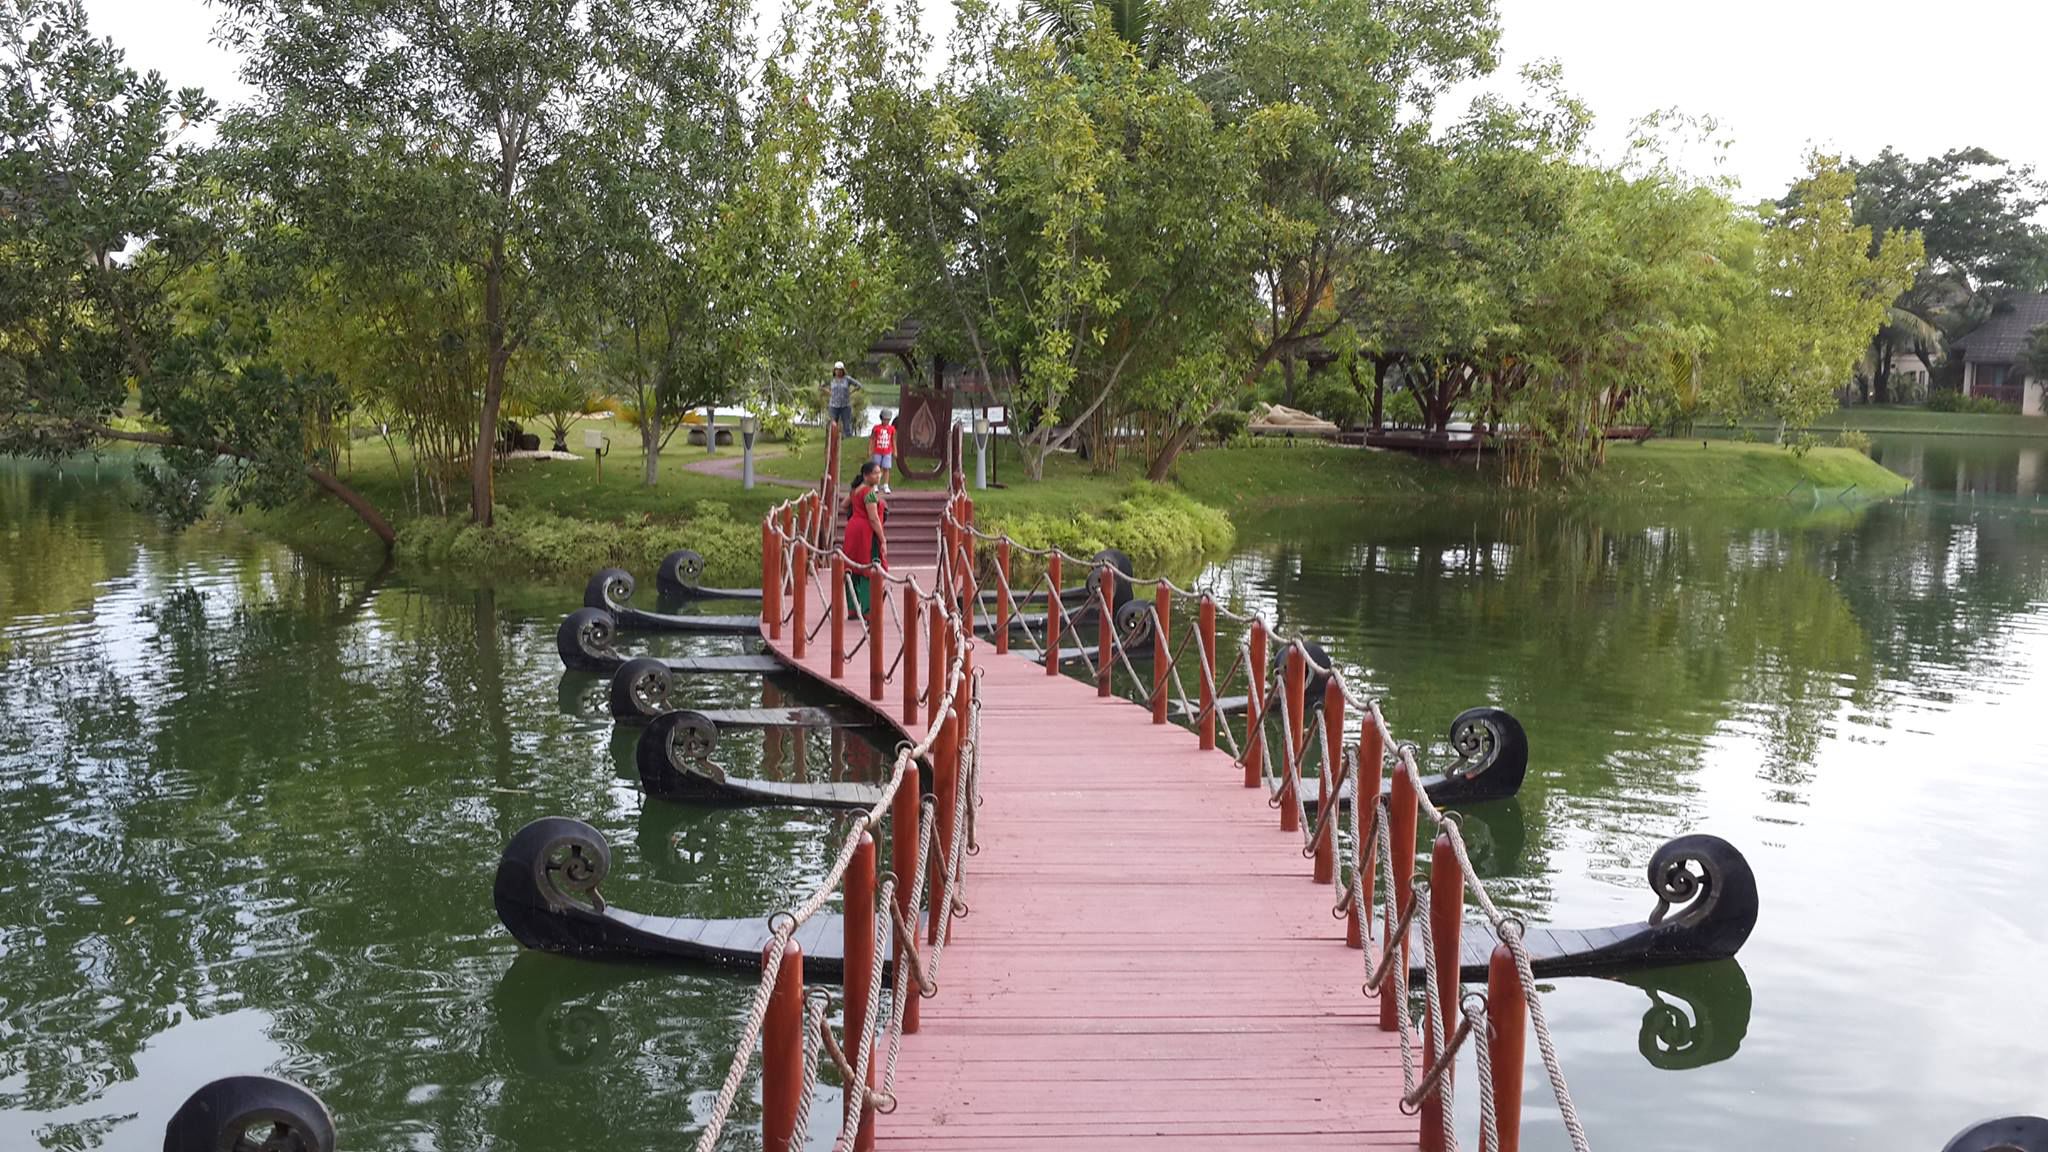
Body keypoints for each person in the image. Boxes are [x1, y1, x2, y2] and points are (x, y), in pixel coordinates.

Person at [843, 459, 888, 617]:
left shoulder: (855, 490)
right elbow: (874, 519)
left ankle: (852, 608)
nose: (879, 476)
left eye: (879, 472)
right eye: (875, 473)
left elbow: (844, 504)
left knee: (852, 568)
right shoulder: (869, 493)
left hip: (852, 529)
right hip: (864, 532)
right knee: (867, 567)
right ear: (866, 475)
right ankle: (868, 610)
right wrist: (882, 539)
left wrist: (856, 509)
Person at [825, 361, 858, 439]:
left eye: (840, 370)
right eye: (837, 370)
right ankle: (833, 438)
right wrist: (829, 392)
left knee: (846, 424)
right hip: (833, 405)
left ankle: (848, 438)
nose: (838, 371)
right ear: (834, 370)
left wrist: (851, 392)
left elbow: (858, 385)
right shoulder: (831, 379)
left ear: (843, 370)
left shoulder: (847, 379)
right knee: (833, 424)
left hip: (845, 405)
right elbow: (821, 386)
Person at [870, 410, 896, 494]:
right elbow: (872, 439)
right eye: (884, 419)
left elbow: (893, 440)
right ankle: (875, 485)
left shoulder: (892, 429)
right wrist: (870, 449)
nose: (886, 421)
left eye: (888, 420)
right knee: (877, 469)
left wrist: (895, 451)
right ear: (881, 419)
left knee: (886, 468)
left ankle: (886, 485)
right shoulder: (876, 428)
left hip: (887, 451)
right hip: (878, 451)